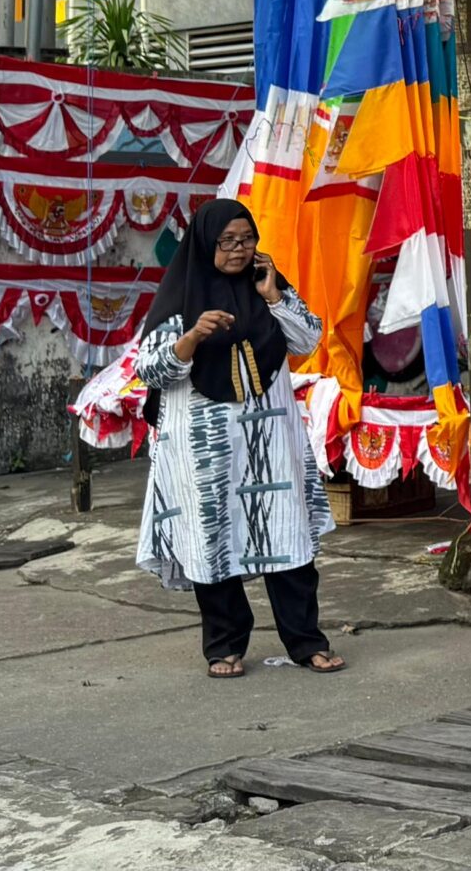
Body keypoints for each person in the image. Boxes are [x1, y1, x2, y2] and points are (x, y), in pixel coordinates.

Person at [132, 199, 348, 678]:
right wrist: (193, 336)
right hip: (203, 448)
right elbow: (149, 369)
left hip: (271, 442)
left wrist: (274, 297)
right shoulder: (181, 299)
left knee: (287, 537)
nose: (238, 249)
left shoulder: (265, 285)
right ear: (206, 244)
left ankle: (306, 641)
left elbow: (307, 340)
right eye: (227, 241)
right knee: (212, 540)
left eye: (247, 239)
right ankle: (224, 645)